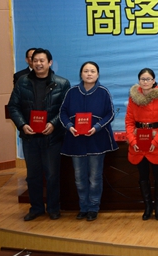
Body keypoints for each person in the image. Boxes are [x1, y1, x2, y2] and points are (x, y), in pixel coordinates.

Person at [7, 48, 70, 221]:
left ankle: (53, 208)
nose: (38, 64)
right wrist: (22, 125)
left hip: (52, 137)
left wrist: (53, 124)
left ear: (50, 62)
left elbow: (66, 109)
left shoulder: (62, 83)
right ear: (31, 62)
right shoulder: (22, 82)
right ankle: (36, 208)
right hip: (30, 137)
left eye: (42, 60)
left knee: (52, 175)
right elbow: (13, 106)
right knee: (33, 176)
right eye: (35, 61)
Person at [59, 61, 118, 222]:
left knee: (95, 178)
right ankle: (83, 207)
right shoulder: (72, 92)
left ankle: (93, 208)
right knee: (79, 178)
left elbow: (110, 114)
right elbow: (62, 112)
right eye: (86, 71)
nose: (89, 74)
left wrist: (97, 127)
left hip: (96, 140)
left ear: (98, 74)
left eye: (92, 71)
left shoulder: (103, 92)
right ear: (81, 74)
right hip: (75, 141)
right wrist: (70, 126)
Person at [125, 68, 158, 221]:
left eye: (148, 79)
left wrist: (156, 141)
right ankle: (147, 207)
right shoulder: (133, 98)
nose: (145, 82)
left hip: (156, 141)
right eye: (142, 79)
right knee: (143, 175)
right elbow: (129, 122)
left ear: (153, 81)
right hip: (138, 141)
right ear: (139, 81)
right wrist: (132, 141)